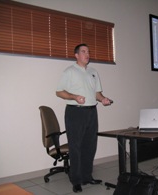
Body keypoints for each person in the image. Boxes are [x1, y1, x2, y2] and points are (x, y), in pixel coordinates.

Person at [56, 43, 112, 193]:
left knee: (90, 146)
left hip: (92, 112)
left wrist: (103, 99)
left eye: (88, 51)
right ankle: (76, 180)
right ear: (76, 55)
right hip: (75, 112)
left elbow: (96, 93)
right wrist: (74, 96)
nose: (87, 54)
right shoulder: (69, 71)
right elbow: (59, 92)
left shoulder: (93, 72)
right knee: (75, 147)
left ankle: (87, 176)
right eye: (83, 51)